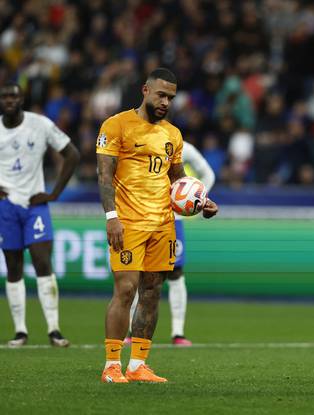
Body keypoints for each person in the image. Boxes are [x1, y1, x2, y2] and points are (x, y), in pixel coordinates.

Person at [96, 68, 218, 384]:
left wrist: (201, 201)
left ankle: (137, 365)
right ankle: (111, 365)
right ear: (145, 90)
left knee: (151, 293)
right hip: (128, 223)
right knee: (125, 290)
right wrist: (112, 218)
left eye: (171, 98)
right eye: (161, 95)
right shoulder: (116, 125)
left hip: (164, 224)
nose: (166, 102)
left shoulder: (173, 135)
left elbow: (178, 179)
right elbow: (104, 176)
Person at [0, 82, 80, 347]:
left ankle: (54, 329)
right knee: (13, 267)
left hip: (36, 203)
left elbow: (72, 154)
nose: (9, 100)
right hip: (6, 205)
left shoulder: (40, 124)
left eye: (13, 95)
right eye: (5, 96)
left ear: (21, 99)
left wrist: (54, 193)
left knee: (42, 262)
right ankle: (20, 331)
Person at [127, 140, 215, 346]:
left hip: (174, 220)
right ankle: (132, 331)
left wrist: (199, 199)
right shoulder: (139, 143)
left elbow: (208, 174)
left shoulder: (184, 147)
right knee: (138, 274)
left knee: (175, 273)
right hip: (144, 216)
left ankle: (178, 333)